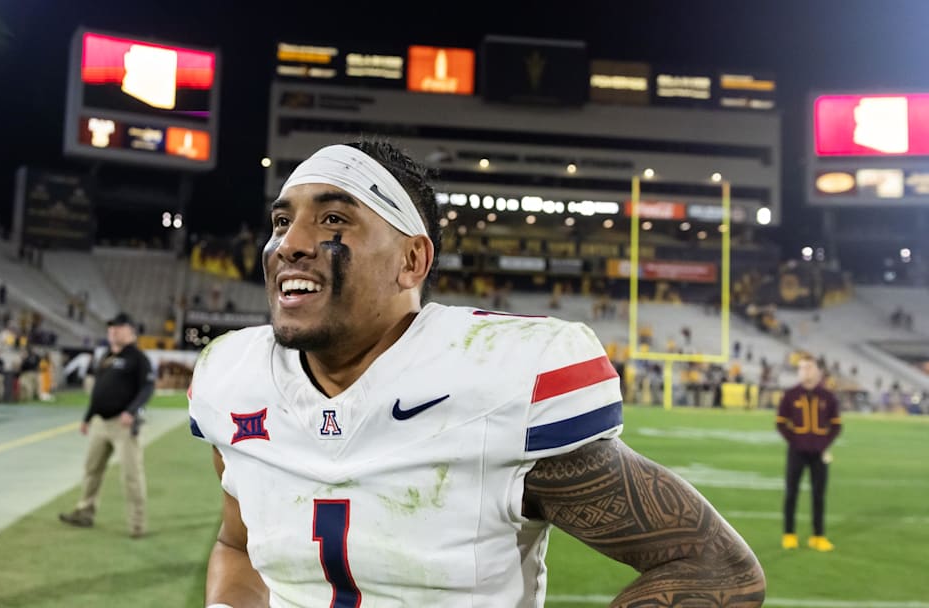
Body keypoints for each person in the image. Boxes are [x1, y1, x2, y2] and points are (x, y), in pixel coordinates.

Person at [188, 140, 765, 606]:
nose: (289, 244)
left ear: (412, 260)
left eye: (333, 218)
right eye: (281, 221)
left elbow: (714, 566)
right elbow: (236, 546)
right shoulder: (234, 379)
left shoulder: (495, 378)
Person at [59, 313, 155, 538]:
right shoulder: (106, 357)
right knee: (92, 470)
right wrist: (87, 417)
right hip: (100, 423)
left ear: (131, 331)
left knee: (131, 475)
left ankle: (137, 525)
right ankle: (84, 512)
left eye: (119, 327)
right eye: (111, 327)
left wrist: (132, 411)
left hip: (123, 425)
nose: (113, 331)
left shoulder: (138, 358)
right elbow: (98, 391)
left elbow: (148, 388)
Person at [776, 356, 842, 552]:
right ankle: (789, 534)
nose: (805, 371)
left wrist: (824, 443)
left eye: (809, 367)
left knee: (819, 495)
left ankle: (818, 536)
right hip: (796, 452)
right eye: (801, 368)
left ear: (817, 371)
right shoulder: (791, 395)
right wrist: (795, 440)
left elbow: (836, 425)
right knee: (791, 493)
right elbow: (780, 423)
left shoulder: (828, 396)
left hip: (820, 453)